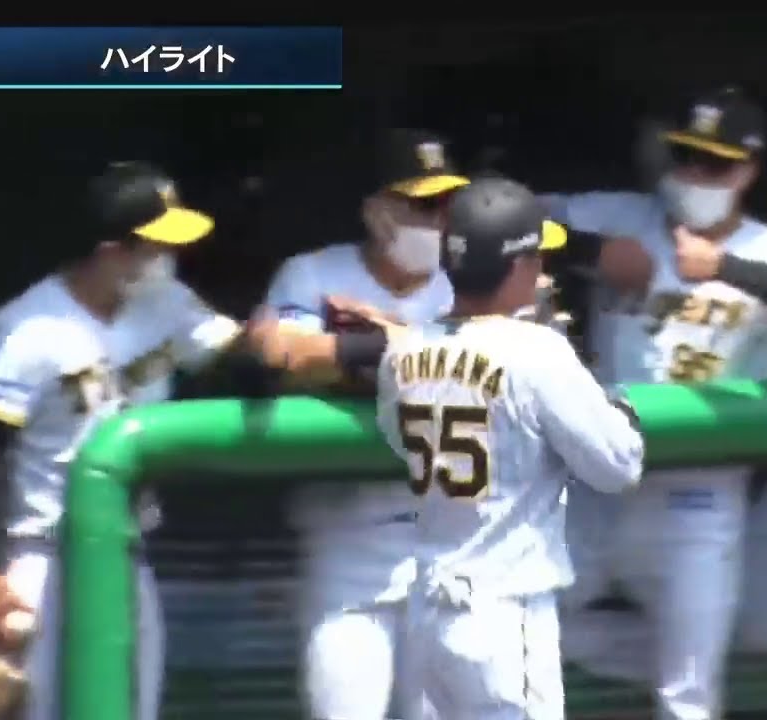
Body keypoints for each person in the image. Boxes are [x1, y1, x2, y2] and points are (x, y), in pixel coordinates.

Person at [247, 175, 646, 719]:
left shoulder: (406, 351)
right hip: (506, 608)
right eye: (536, 260)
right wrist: (617, 409)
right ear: (520, 266)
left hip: (431, 600)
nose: (542, 271)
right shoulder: (539, 349)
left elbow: (398, 435)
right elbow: (619, 466)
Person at [545, 86, 767, 720]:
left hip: (700, 497)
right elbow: (501, 219)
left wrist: (725, 267)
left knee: (688, 694)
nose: (695, 175)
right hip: (599, 482)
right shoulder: (620, 217)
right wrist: (591, 252)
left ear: (750, 171)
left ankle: (700, 665)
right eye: (686, 157)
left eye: (716, 164)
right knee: (522, 623)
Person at [0, 162, 242, 720]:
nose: (168, 257)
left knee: (132, 709)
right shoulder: (26, 330)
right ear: (111, 252)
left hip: (128, 549)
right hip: (40, 558)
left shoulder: (169, 303)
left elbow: (246, 363)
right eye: (155, 245)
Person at [262, 128, 466, 720]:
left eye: (445, 203)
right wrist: (410, 357)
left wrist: (367, 349)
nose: (438, 219)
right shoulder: (312, 274)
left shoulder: (468, 282)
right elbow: (285, 357)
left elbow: (494, 374)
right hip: (347, 539)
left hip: (449, 542)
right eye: (422, 204)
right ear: (376, 212)